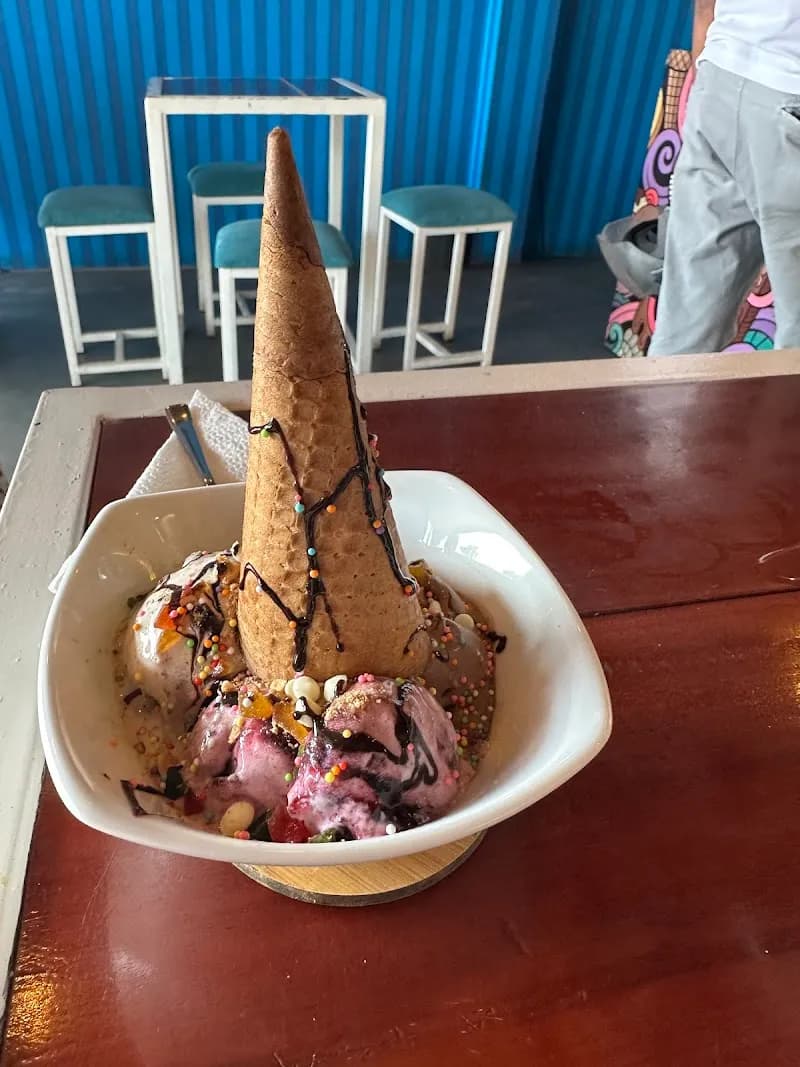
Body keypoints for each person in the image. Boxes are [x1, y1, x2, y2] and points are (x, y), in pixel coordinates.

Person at [649, 1, 800, 355]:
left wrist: (704, 78)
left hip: (719, 78)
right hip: (789, 92)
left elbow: (705, 5)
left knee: (688, 320)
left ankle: (664, 406)